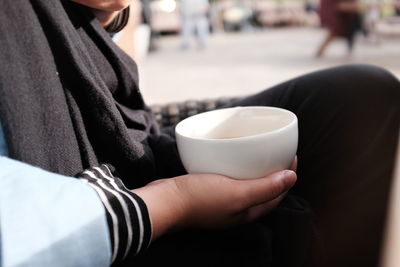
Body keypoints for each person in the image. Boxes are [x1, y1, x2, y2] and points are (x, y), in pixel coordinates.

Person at [0, 1, 399, 267]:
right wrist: (175, 202)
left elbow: (83, 73)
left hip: (129, 147)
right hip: (91, 214)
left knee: (362, 95)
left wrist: (105, 14)